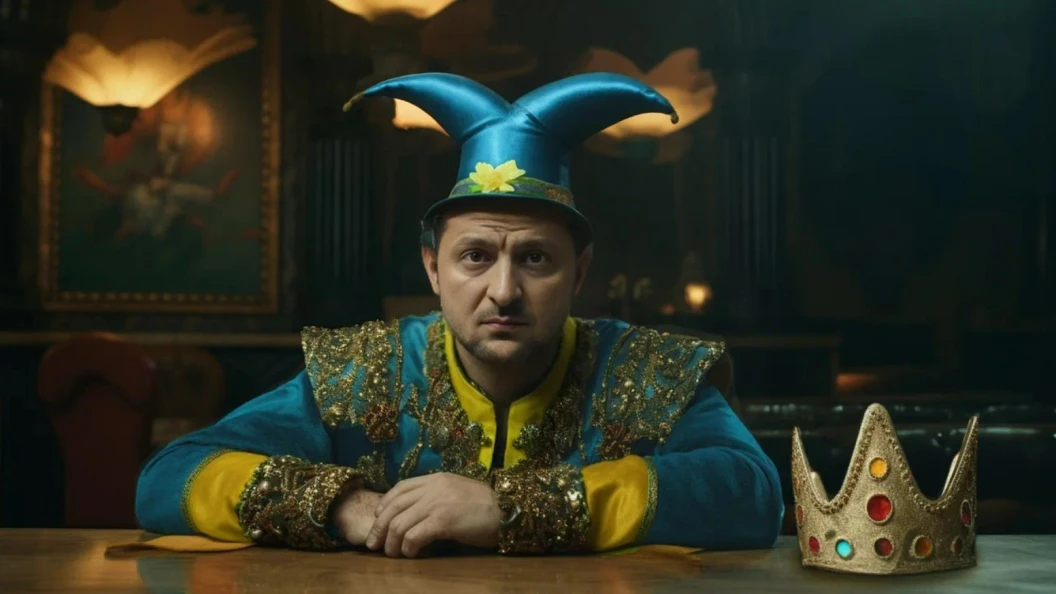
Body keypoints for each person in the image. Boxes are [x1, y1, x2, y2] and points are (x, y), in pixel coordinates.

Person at [135, 72, 784, 558]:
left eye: (535, 259)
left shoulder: (649, 371)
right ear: (433, 269)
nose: (504, 291)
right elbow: (167, 480)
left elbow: (751, 493)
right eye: (476, 256)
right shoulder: (361, 370)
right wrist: (343, 506)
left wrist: (513, 507)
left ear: (580, 273)